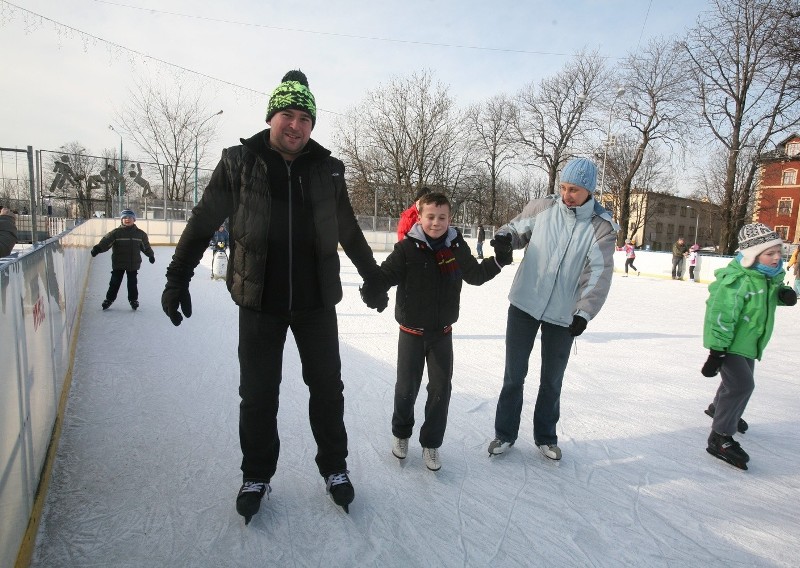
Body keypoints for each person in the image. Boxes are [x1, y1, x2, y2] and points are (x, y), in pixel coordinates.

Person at [161, 70, 388, 522]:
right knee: (258, 394)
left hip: (315, 303)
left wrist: (372, 276)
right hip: (259, 300)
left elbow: (347, 228)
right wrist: (177, 277)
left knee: (327, 390)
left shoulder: (328, 169)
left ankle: (335, 469)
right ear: (271, 117)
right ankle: (257, 474)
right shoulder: (238, 162)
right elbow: (204, 222)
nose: (296, 125)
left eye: (305, 118)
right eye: (288, 114)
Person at [487, 157, 618, 461]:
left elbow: (598, 274)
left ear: (588, 191)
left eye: (574, 189)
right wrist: (505, 238)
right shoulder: (542, 208)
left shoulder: (601, 227)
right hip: (524, 302)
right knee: (513, 375)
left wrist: (584, 312)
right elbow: (514, 228)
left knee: (552, 380)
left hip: (564, 314)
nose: (567, 194)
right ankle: (504, 434)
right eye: (563, 187)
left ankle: (545, 436)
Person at [363, 193, 504, 472]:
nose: (436, 223)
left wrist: (498, 261)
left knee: (441, 390)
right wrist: (372, 288)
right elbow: (386, 275)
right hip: (411, 332)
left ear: (450, 219)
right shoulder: (407, 248)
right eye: (430, 216)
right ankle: (402, 434)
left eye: (442, 217)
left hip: (442, 333)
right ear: (420, 217)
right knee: (406, 389)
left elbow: (474, 275)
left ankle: (431, 444)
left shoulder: (456, 245)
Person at [700, 224, 797, 470]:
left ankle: (717, 408)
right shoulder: (737, 281)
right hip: (730, 344)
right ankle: (719, 436)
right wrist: (717, 352)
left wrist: (782, 295)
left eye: (778, 251)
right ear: (752, 256)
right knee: (742, 385)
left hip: (748, 343)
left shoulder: (766, 277)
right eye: (769, 253)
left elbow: (762, 301)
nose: (777, 257)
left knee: (735, 384)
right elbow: (721, 316)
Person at [91, 209, 154, 310]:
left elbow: (145, 247)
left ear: (134, 219)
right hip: (118, 263)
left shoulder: (140, 234)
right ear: (121, 220)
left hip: (133, 264)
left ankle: (133, 300)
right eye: (124, 217)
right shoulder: (116, 233)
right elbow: (105, 242)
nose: (127, 219)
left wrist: (150, 255)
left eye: (129, 217)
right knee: (114, 283)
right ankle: (109, 299)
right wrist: (97, 249)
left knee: (132, 284)